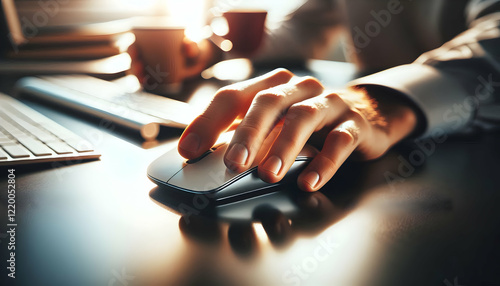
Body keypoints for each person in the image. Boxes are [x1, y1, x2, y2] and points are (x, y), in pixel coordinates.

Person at [178, 0, 500, 192]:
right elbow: (303, 28)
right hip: (360, 146)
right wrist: (208, 49)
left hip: (477, 158)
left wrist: (383, 102)